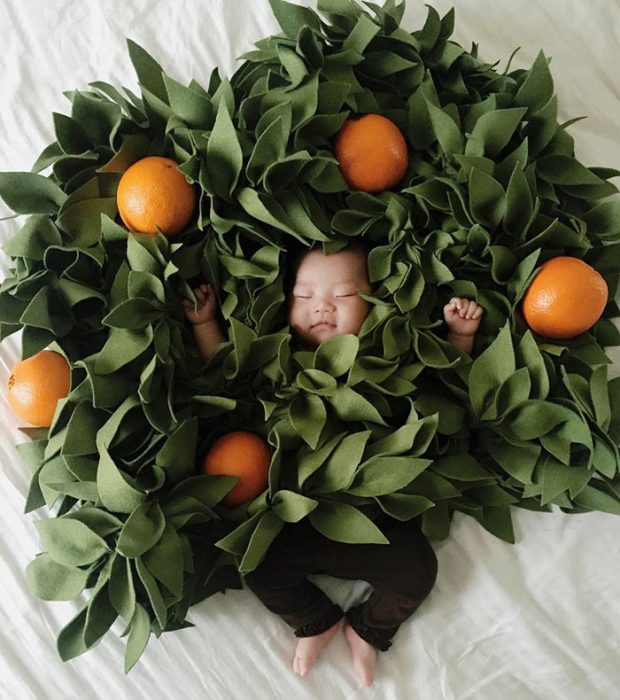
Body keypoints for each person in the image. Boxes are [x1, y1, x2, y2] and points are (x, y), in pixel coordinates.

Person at [183, 242, 483, 686]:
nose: (321, 306)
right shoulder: (278, 364)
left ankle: (371, 629)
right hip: (295, 520)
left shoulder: (384, 358)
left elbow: (443, 392)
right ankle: (315, 620)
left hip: (371, 523)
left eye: (342, 296)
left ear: (376, 302)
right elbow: (230, 378)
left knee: (420, 567)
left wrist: (460, 338)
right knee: (256, 566)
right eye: (303, 296)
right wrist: (205, 324)